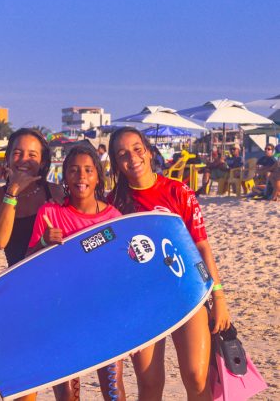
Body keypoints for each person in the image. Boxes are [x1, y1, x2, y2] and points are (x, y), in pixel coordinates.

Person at [107, 127, 231, 401]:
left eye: (137, 149)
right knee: (150, 384)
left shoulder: (179, 192)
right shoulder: (112, 204)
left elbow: (201, 246)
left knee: (197, 378)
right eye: (123, 154)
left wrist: (219, 296)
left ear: (149, 152)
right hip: (143, 302)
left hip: (187, 292)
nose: (133, 158)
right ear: (116, 163)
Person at [26, 145, 126, 401]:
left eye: (88, 170)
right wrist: (43, 243)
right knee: (67, 395)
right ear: (65, 177)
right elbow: (28, 267)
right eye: (74, 170)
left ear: (97, 177)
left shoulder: (113, 218)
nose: (81, 176)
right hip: (63, 313)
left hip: (104, 313)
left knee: (114, 390)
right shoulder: (50, 214)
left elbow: (121, 273)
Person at [0, 128, 63, 401]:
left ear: (43, 161)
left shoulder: (55, 193)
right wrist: (14, 191)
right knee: (26, 383)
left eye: (32, 154)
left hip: (57, 295)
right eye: (17, 152)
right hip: (19, 295)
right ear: (7, 158)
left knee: (64, 380)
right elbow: (0, 240)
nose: (24, 159)